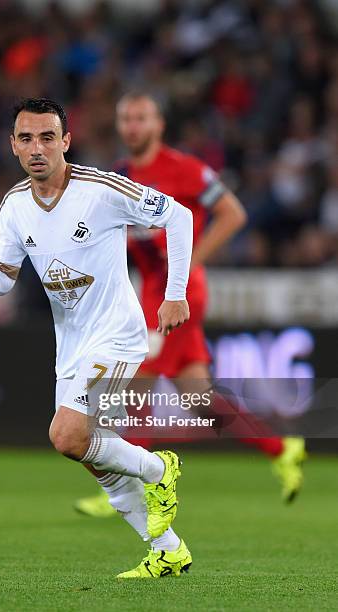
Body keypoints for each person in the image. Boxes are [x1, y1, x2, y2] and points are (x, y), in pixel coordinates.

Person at [0, 97, 196, 578]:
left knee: (66, 434)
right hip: (73, 344)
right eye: (26, 138)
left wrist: (174, 294)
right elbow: (4, 279)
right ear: (13, 146)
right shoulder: (16, 206)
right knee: (86, 453)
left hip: (118, 335)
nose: (36, 147)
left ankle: (159, 470)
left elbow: (179, 216)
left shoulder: (100, 189)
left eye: (47, 137)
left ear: (66, 141)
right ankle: (167, 548)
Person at [74, 92, 306, 519]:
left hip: (179, 293)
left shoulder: (185, 169)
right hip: (146, 291)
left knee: (136, 376)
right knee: (199, 397)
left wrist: (191, 260)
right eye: (126, 118)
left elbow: (233, 213)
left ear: (159, 124)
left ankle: (129, 489)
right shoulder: (120, 175)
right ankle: (281, 448)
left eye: (141, 118)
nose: (132, 126)